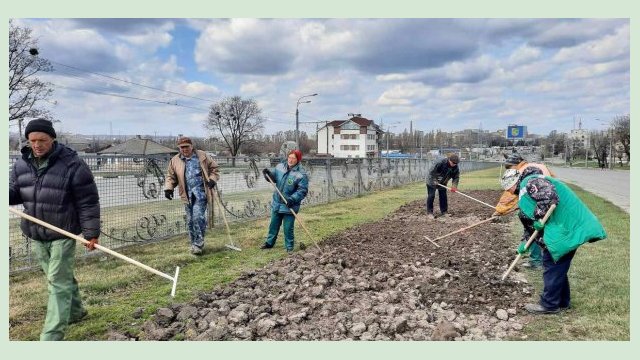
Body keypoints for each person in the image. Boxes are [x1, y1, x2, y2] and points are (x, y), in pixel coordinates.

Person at [9, 119, 100, 341]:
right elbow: (14, 193)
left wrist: (91, 233)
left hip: (63, 233)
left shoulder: (72, 164)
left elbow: (87, 201)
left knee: (56, 282)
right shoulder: (21, 165)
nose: (37, 145)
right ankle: (77, 311)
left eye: (42, 140)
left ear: (52, 139)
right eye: (33, 141)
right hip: (36, 233)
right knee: (58, 276)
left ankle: (51, 337)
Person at [500, 167, 607, 314]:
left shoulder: (531, 182)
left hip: (567, 227)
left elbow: (550, 197)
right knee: (557, 265)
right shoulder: (527, 188)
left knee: (552, 263)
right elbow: (530, 225)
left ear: (514, 183)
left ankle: (549, 305)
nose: (510, 192)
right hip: (563, 228)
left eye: (509, 188)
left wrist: (539, 216)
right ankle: (562, 302)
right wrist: (525, 243)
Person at [493, 153, 555, 269]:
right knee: (532, 227)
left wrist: (500, 210)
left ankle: (536, 260)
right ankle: (535, 255)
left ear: (515, 165)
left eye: (509, 169)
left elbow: (510, 195)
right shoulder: (533, 166)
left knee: (536, 227)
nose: (509, 172)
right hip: (547, 200)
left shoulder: (524, 173)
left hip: (545, 203)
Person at [164, 137, 219, 255]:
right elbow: (171, 176)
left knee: (198, 218)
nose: (184, 149)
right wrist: (169, 188)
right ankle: (193, 243)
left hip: (201, 193)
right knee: (190, 221)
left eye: (186, 147)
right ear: (179, 148)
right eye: (182, 147)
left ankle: (198, 244)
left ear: (191, 146)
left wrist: (212, 179)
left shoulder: (202, 156)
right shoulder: (175, 160)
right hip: (187, 195)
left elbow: (214, 169)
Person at [260, 149, 308, 253]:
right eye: (289, 157)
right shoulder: (280, 167)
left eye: (293, 158)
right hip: (277, 202)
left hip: (289, 205)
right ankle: (269, 243)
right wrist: (268, 175)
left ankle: (289, 247)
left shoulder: (301, 174)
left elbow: (302, 191)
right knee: (273, 225)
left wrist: (292, 199)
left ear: (298, 160)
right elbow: (274, 179)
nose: (290, 160)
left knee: (288, 228)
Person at [425, 153, 460, 219]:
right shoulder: (440, 162)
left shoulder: (455, 167)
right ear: (449, 160)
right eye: (453, 163)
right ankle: (429, 213)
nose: (454, 165)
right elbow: (431, 172)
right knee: (431, 195)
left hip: (443, 182)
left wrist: (454, 186)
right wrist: (434, 179)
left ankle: (444, 212)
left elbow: (456, 177)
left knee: (443, 196)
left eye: (456, 164)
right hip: (431, 181)